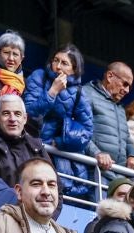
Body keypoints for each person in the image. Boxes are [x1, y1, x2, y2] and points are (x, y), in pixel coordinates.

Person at [27, 46, 97, 194]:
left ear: (74, 69)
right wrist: (52, 92)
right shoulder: (39, 76)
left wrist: (60, 142)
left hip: (58, 153)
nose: (58, 66)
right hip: (31, 143)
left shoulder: (79, 92)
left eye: (64, 63)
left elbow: (87, 130)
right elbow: (29, 111)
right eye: (55, 61)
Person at [0, 93, 49, 188]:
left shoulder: (37, 147)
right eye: (6, 113)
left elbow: (56, 186)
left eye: (17, 114)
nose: (12, 119)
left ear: (25, 119)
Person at [87, 62, 134, 172]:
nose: (127, 91)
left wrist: (133, 156)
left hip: (119, 173)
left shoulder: (120, 109)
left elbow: (127, 139)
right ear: (110, 76)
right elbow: (78, 131)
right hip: (95, 170)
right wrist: (96, 153)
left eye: (129, 87)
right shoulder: (87, 94)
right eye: (125, 84)